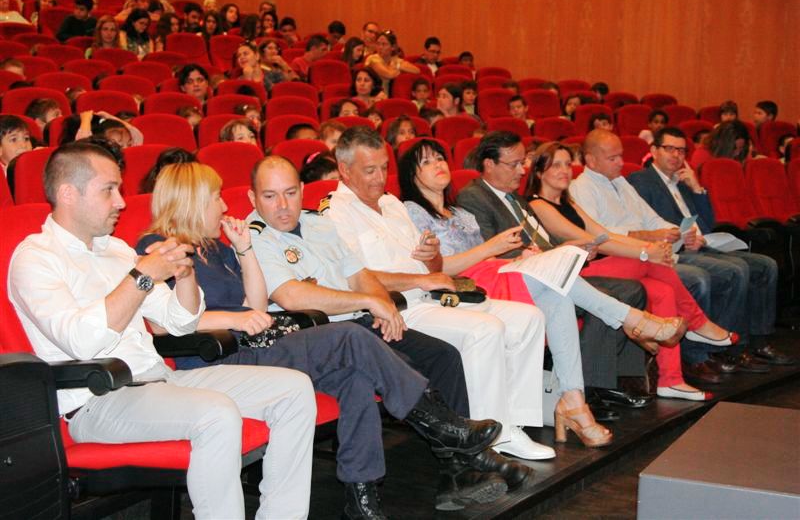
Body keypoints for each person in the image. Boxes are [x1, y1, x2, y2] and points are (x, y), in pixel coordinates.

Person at [138, 161, 506, 516]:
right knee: (349, 336)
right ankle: (439, 425)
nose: (222, 206)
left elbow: (255, 303)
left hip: (258, 343)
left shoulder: (215, 247)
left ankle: (362, 501)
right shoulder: (157, 247)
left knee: (355, 378)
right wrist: (235, 318)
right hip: (218, 355)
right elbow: (164, 325)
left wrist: (244, 250)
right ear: (191, 201)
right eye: (215, 197)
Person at [8, 141, 317, 519]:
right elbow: (82, 341)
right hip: (97, 399)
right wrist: (141, 276)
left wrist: (184, 274)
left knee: (294, 390)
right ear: (68, 194)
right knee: (216, 413)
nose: (121, 202)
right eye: (109, 190)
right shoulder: (35, 259)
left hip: (158, 381)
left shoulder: (116, 251)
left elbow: (180, 322)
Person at [249, 155, 534, 500]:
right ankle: (469, 454)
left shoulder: (316, 223)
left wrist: (380, 302)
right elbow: (292, 296)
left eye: (290, 193)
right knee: (403, 361)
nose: (283, 205)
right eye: (270, 196)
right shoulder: (255, 237)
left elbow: (359, 273)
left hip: (356, 322)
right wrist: (368, 302)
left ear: (302, 189)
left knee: (442, 355)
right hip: (316, 335)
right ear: (253, 198)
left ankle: (458, 471)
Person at [400, 139, 684, 440]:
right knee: (558, 280)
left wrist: (516, 257)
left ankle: (574, 401)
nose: (439, 164)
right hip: (460, 288)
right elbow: (438, 269)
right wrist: (491, 248)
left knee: (558, 295)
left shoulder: (459, 213)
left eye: (440, 158)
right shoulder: (411, 212)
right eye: (427, 161)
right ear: (411, 174)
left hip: (492, 273)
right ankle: (634, 321)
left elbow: (490, 258)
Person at [324, 126, 555, 461]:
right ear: (345, 170)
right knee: (485, 330)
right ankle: (490, 434)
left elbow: (432, 266)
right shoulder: (334, 213)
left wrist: (431, 255)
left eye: (384, 168)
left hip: (429, 298)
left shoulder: (391, 204)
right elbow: (356, 278)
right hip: (396, 309)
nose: (380, 178)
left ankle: (513, 424)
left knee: (528, 318)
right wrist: (421, 279)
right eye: (369, 170)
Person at [453, 133, 701, 403]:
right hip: (517, 279)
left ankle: (620, 379)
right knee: (623, 284)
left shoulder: (515, 199)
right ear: (489, 164)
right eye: (514, 164)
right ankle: (596, 385)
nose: (522, 171)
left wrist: (572, 249)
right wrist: (557, 252)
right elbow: (492, 248)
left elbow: (545, 241)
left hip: (549, 269)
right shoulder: (474, 196)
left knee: (632, 289)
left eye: (522, 163)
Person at [526, 140, 743, 390]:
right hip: (575, 276)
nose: (565, 171)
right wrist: (646, 251)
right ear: (539, 172)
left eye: (567, 164)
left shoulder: (569, 202)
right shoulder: (537, 205)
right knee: (644, 261)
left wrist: (649, 248)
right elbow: (592, 241)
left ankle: (671, 380)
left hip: (597, 266)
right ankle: (697, 323)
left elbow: (605, 234)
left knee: (664, 291)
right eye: (556, 165)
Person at [569, 130, 762, 380]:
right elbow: (602, 236)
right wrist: (651, 241)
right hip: (614, 259)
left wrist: (672, 233)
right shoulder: (582, 188)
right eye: (612, 158)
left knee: (673, 285)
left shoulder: (621, 182)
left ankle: (672, 376)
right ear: (591, 160)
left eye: (621, 156)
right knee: (696, 278)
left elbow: (652, 219)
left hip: (643, 254)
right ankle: (696, 348)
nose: (620, 163)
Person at [628, 127, 791, 367]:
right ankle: (730, 346)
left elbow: (707, 224)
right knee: (736, 270)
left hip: (702, 244)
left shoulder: (683, 182)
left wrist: (697, 189)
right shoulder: (641, 181)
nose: (676, 155)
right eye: (669, 149)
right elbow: (649, 225)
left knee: (765, 265)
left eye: (681, 150)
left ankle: (758, 341)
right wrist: (683, 238)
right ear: (654, 150)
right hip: (676, 250)